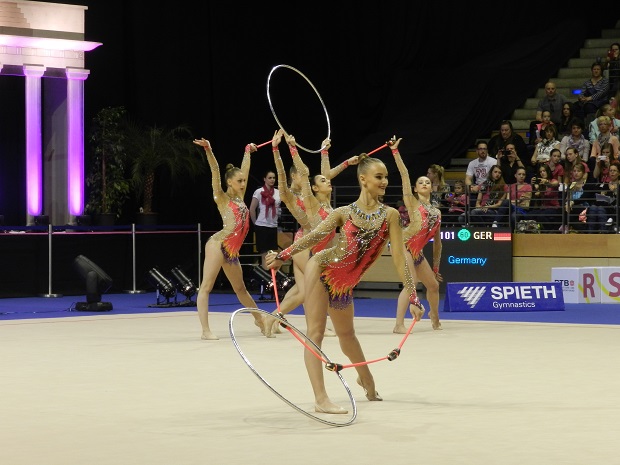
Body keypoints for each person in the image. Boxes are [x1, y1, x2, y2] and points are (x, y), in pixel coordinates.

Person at [265, 153, 424, 414]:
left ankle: (367, 378)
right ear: (363, 179)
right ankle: (320, 399)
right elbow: (314, 236)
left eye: (385, 177)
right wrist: (282, 255)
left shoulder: (391, 216)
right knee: (315, 333)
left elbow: (399, 259)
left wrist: (413, 296)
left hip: (344, 283)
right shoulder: (343, 213)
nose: (384, 181)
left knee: (347, 336)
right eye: (379, 176)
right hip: (322, 269)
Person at [265, 131, 345, 337]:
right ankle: (315, 326)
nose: (307, 178)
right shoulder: (294, 196)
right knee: (316, 287)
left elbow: (325, 174)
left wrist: (325, 151)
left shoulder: (321, 201)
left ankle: (272, 316)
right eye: (304, 176)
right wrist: (279, 149)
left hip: (315, 245)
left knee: (302, 293)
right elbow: (286, 176)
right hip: (304, 244)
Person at [192, 138, 270, 340]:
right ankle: (205, 331)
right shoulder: (222, 197)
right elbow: (215, 171)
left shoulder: (240, 198)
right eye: (239, 181)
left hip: (232, 251)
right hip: (218, 245)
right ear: (229, 182)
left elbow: (244, 167)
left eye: (244, 181)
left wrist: (247, 152)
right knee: (207, 286)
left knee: (241, 289)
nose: (243, 184)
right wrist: (209, 150)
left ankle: (259, 320)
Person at [390, 138, 443, 333]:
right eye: (420, 182)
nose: (424, 184)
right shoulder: (413, 203)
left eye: (427, 182)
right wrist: (395, 152)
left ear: (432, 187)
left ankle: (434, 316)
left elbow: (437, 243)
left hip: (417, 252)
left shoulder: (437, 212)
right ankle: (398, 325)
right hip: (403, 245)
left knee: (434, 286)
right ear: (414, 188)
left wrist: (436, 266)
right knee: (410, 282)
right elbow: (404, 175)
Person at [249, 169, 281, 269]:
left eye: (274, 178)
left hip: (273, 226)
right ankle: (266, 279)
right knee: (264, 255)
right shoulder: (259, 192)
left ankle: (272, 279)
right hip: (261, 226)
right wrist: (255, 224)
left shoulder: (278, 192)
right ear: (264, 179)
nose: (272, 180)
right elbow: (252, 209)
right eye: (269, 178)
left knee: (273, 255)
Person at [465, 140, 497, 207]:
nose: (483, 151)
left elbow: (494, 178)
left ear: (487, 150)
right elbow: (468, 178)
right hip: (477, 188)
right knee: (470, 201)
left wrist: (480, 187)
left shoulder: (493, 161)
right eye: (480, 149)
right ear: (477, 151)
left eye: (485, 149)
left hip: (490, 187)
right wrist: (471, 188)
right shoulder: (472, 163)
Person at [529, 163, 561, 231]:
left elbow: (555, 184)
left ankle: (551, 230)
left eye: (544, 171)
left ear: (548, 171)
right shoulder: (540, 184)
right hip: (543, 208)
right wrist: (533, 186)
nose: (542, 173)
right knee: (529, 215)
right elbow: (536, 195)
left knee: (541, 216)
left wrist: (546, 182)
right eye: (540, 172)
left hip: (554, 208)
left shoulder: (553, 181)